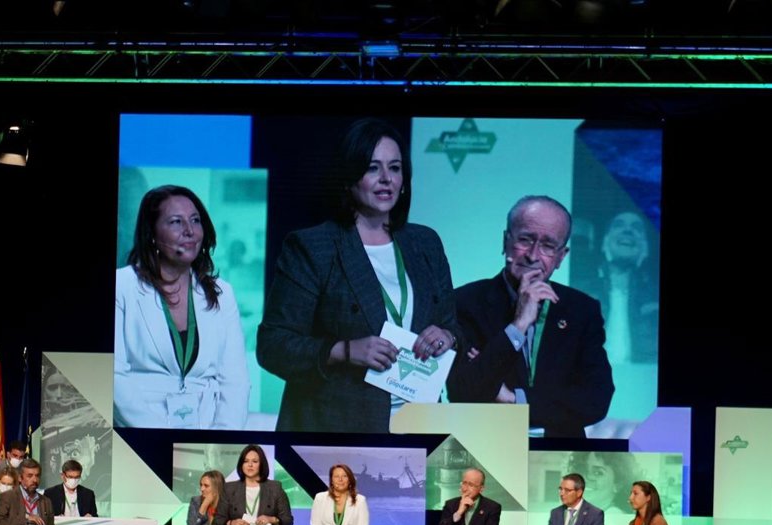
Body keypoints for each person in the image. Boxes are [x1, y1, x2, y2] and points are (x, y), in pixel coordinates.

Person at [258, 118, 460, 433]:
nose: (386, 179)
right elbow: (273, 346)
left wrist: (447, 336)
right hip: (337, 427)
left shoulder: (425, 243)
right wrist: (345, 351)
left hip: (417, 424)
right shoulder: (314, 247)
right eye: (372, 168)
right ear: (348, 177)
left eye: (395, 168)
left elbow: (453, 325)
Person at [446, 195, 614, 437]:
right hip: (488, 445)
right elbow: (464, 391)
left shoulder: (581, 310)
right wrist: (519, 325)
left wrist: (513, 400)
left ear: (561, 257)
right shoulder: (465, 302)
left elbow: (596, 399)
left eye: (548, 246)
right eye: (525, 240)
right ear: (506, 241)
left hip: (561, 450)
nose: (533, 256)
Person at [114, 185, 250, 429]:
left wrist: (220, 439)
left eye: (195, 220)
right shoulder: (122, 286)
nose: (190, 231)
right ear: (152, 233)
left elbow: (235, 380)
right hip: (140, 432)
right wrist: (159, 439)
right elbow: (115, 377)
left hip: (206, 433)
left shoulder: (223, 293)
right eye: (176, 222)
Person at [581, 212, 659, 364]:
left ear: (645, 247)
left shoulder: (655, 297)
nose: (628, 230)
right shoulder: (580, 293)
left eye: (637, 228)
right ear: (605, 242)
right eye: (619, 225)